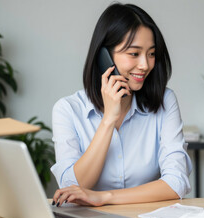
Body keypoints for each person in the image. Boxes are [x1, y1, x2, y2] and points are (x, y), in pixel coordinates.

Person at [51, 3, 192, 207]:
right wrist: (109, 119)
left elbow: (176, 182)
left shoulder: (164, 101)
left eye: (151, 54)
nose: (145, 65)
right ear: (104, 57)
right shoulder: (67, 109)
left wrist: (105, 197)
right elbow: (71, 186)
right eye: (134, 54)